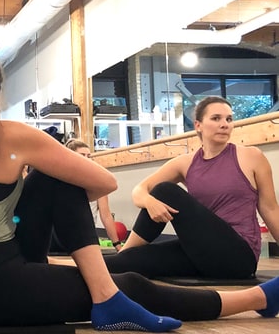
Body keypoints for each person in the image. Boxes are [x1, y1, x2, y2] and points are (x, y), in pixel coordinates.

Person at [0, 39, 279, 330]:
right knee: (131, 282)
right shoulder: (16, 136)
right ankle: (256, 298)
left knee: (62, 192)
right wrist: (27, 181)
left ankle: (104, 295)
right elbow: (101, 181)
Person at [108, 96, 279, 280]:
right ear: (198, 125)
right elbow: (139, 190)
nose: (224, 124)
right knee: (121, 264)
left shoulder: (251, 156)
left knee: (165, 191)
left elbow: (270, 209)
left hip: (239, 257)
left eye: (229, 119)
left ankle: (125, 251)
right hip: (202, 253)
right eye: (216, 118)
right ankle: (123, 255)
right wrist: (149, 202)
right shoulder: (185, 163)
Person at [65, 138, 125, 249]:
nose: (87, 159)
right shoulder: (62, 179)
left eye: (89, 156)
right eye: (82, 155)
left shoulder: (97, 182)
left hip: (86, 234)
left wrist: (117, 244)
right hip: (63, 233)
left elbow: (106, 215)